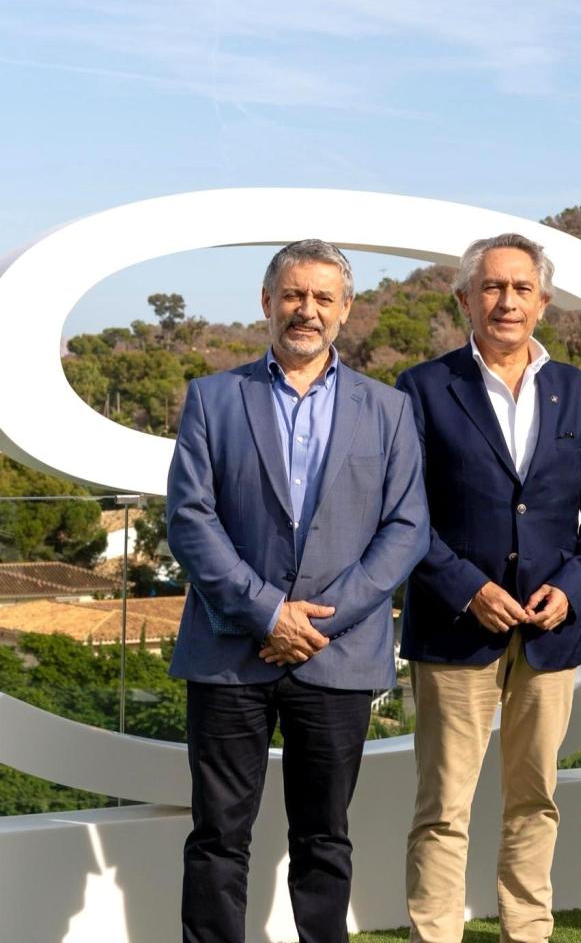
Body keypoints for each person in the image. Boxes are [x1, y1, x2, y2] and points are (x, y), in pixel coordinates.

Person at [167, 239, 430, 943]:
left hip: (335, 657)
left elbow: (407, 529)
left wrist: (321, 621)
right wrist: (264, 612)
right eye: (292, 295)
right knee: (219, 836)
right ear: (266, 303)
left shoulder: (389, 410)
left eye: (322, 298)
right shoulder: (213, 399)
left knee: (324, 839)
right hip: (229, 652)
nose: (305, 310)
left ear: (345, 311)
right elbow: (190, 519)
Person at [395, 233, 581, 943]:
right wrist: (467, 587)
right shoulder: (425, 387)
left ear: (544, 301)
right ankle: (435, 933)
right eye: (491, 287)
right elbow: (404, 512)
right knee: (444, 805)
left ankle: (527, 931)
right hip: (454, 628)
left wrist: (574, 587)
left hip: (549, 631)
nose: (506, 301)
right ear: (465, 299)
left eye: (521, 288)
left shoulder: (578, 390)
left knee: (535, 799)